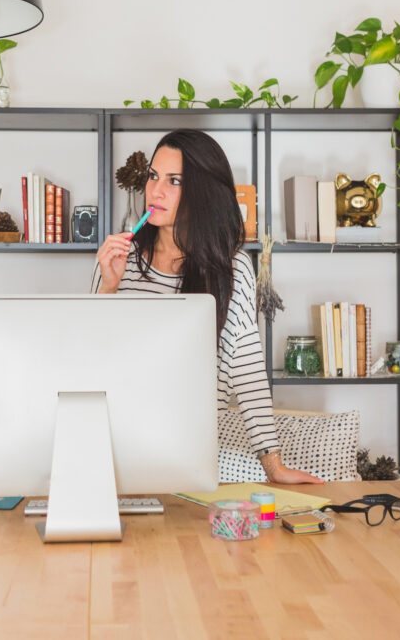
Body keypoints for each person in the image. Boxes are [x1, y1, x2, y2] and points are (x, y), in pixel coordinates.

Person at [92, 129, 323, 484]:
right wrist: (109, 286)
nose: (155, 191)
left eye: (174, 181)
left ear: (202, 193)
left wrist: (273, 467)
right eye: (153, 176)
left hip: (189, 454)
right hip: (113, 450)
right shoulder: (118, 260)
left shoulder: (233, 269)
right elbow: (91, 358)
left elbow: (246, 368)